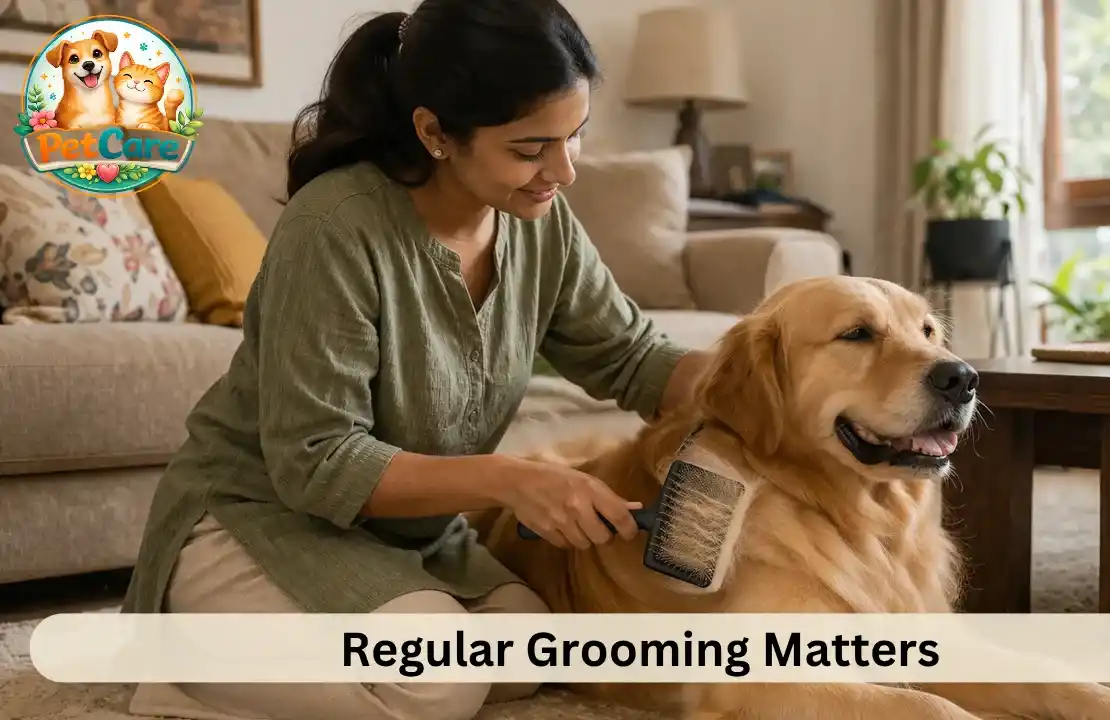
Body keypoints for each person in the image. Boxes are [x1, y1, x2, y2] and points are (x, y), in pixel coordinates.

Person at [120, 1, 712, 719]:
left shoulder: (540, 223)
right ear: (434, 133)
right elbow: (317, 461)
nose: (563, 170)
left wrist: (763, 379)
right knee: (435, 683)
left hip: (404, 535)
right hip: (257, 517)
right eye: (531, 148)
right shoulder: (335, 227)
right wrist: (511, 481)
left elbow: (634, 357)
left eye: (575, 136)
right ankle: (174, 657)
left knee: (531, 649)